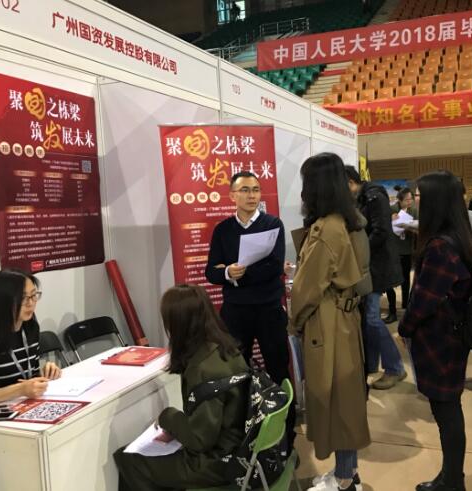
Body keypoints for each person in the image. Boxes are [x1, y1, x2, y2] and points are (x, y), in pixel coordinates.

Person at [114, 284, 249, 490]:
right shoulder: (226, 348)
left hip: (220, 461)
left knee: (129, 460)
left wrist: (167, 417)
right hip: (239, 447)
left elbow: (199, 440)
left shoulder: (202, 369)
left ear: (178, 324)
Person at [290, 153, 370, 491]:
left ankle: (344, 479)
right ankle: (347, 471)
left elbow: (306, 289)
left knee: (337, 400)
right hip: (344, 320)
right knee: (345, 399)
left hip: (328, 324)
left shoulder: (327, 230)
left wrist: (294, 321)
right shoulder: (346, 221)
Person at [398, 171, 472, 491]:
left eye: (419, 196)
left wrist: (404, 328)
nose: (415, 201)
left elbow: (424, 300)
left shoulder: (440, 247)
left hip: (440, 339)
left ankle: (452, 480)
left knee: (446, 410)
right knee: (448, 408)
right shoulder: (455, 238)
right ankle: (451, 477)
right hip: (450, 336)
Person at [205, 171, 294, 445]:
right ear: (232, 195)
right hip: (235, 313)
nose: (251, 195)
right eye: (244, 190)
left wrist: (237, 277)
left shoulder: (272, 224)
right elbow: (211, 271)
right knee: (234, 373)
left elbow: (274, 267)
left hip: (269, 310)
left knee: (278, 369)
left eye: (256, 189)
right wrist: (227, 273)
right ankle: (240, 432)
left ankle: (286, 434)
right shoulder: (223, 229)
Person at [345, 165, 406, 390]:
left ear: (351, 182)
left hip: (377, 267)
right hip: (369, 266)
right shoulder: (362, 198)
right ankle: (371, 365)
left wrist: (358, 252)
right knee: (366, 318)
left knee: (371, 318)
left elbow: (380, 232)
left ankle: (395, 368)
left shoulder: (374, 196)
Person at [0, 269, 61, 406]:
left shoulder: (31, 328)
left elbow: (29, 376)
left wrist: (45, 372)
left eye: (33, 295)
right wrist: (20, 389)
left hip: (25, 406)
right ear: (2, 301)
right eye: (23, 298)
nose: (31, 303)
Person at [384, 186, 415, 324]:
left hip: (406, 249)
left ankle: (406, 306)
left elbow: (420, 227)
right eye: (407, 200)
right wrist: (390, 219)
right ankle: (392, 311)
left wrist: (411, 227)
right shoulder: (391, 209)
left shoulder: (414, 211)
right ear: (400, 200)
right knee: (390, 280)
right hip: (392, 250)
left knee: (406, 280)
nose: (410, 202)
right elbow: (383, 226)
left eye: (411, 199)